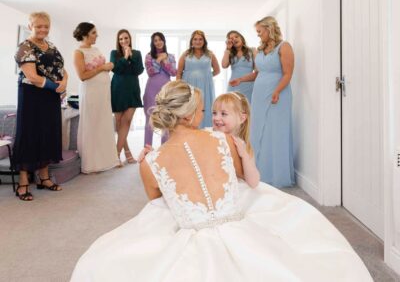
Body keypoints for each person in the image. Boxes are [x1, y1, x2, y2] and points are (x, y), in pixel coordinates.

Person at [71, 80, 372, 282]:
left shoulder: (150, 164)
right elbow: (243, 179)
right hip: (241, 229)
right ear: (189, 115)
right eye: (202, 109)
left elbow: (158, 203)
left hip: (190, 240)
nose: (206, 114)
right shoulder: (222, 140)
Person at [231, 16, 295, 187]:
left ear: (269, 29)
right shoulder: (259, 50)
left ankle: (276, 174)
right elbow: (257, 73)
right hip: (259, 94)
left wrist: (277, 91)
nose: (258, 35)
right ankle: (258, 170)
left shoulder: (285, 47)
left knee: (275, 130)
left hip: (278, 94)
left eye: (260, 31)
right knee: (258, 130)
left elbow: (288, 73)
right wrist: (241, 80)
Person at [13, 11, 66, 201]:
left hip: (50, 97)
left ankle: (44, 178)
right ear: (30, 26)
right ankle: (23, 182)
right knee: (29, 134)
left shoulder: (51, 46)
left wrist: (65, 82)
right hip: (32, 97)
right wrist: (57, 87)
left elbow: (62, 69)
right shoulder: (24, 47)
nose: (43, 29)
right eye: (38, 26)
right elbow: (33, 77)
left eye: (46, 26)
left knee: (48, 133)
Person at [73, 22, 119, 173]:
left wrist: (109, 66)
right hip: (91, 92)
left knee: (103, 124)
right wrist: (102, 68)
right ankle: (91, 164)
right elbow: (82, 76)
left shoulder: (96, 49)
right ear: (85, 34)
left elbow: (102, 68)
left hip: (103, 92)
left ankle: (106, 160)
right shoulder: (78, 52)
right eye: (93, 33)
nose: (96, 35)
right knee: (92, 124)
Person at [212, 92, 259, 188]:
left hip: (231, 189)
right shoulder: (209, 136)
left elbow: (253, 182)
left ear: (242, 118)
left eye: (223, 114)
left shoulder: (241, 145)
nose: (216, 118)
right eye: (214, 113)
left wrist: (244, 156)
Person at [110, 29, 144, 164]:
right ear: (118, 41)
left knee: (127, 121)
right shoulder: (114, 53)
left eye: (126, 38)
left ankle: (116, 154)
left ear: (130, 39)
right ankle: (128, 152)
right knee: (119, 122)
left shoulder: (137, 53)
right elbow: (116, 69)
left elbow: (139, 70)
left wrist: (130, 57)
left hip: (132, 89)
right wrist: (124, 57)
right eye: (121, 39)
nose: (123, 41)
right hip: (117, 89)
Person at [177, 30, 220, 128]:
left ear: (204, 41)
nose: (198, 41)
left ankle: (205, 130)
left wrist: (206, 77)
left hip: (205, 87)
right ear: (191, 41)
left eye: (200, 39)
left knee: (205, 106)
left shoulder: (210, 54)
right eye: (195, 39)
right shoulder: (186, 54)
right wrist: (178, 88)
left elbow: (217, 70)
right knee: (190, 107)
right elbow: (179, 72)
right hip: (189, 85)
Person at [143, 32, 176, 146]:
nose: (158, 42)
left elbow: (173, 72)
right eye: (155, 40)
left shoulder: (171, 56)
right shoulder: (148, 56)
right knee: (150, 118)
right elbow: (150, 72)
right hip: (152, 88)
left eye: (160, 39)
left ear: (164, 41)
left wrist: (165, 60)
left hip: (167, 89)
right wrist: (158, 60)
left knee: (166, 118)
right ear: (152, 43)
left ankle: (164, 149)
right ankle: (147, 149)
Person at [221, 31, 256, 102]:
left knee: (247, 109)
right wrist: (227, 49)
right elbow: (224, 65)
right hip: (233, 85)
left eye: (236, 37)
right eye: (231, 39)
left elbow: (257, 70)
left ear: (242, 39)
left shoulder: (252, 50)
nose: (234, 39)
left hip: (249, 85)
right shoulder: (230, 53)